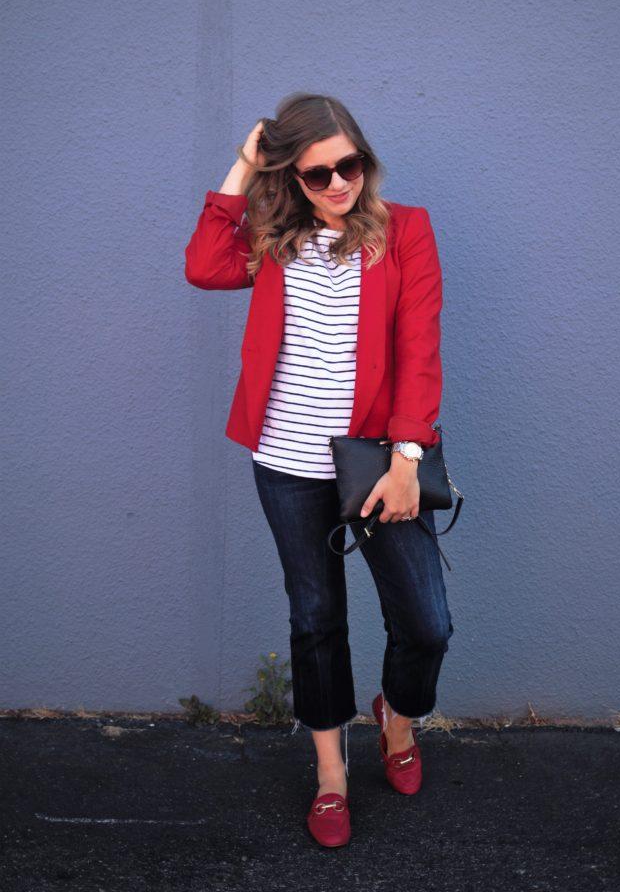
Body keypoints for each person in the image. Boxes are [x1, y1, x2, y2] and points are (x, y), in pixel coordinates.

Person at [184, 93, 453, 848]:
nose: (338, 183)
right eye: (317, 174)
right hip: (286, 464)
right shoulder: (273, 237)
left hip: (376, 461)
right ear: (291, 179)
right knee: (316, 621)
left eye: (349, 165)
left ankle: (397, 720)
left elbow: (418, 351)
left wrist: (407, 460)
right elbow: (203, 267)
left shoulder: (405, 231)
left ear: (364, 158)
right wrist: (242, 166)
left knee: (425, 624)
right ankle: (330, 773)